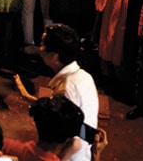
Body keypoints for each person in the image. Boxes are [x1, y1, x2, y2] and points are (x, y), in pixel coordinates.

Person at [36, 24, 98, 161]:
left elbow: (74, 142)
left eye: (42, 44)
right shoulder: (84, 76)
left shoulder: (66, 89)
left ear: (54, 56)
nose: (39, 49)